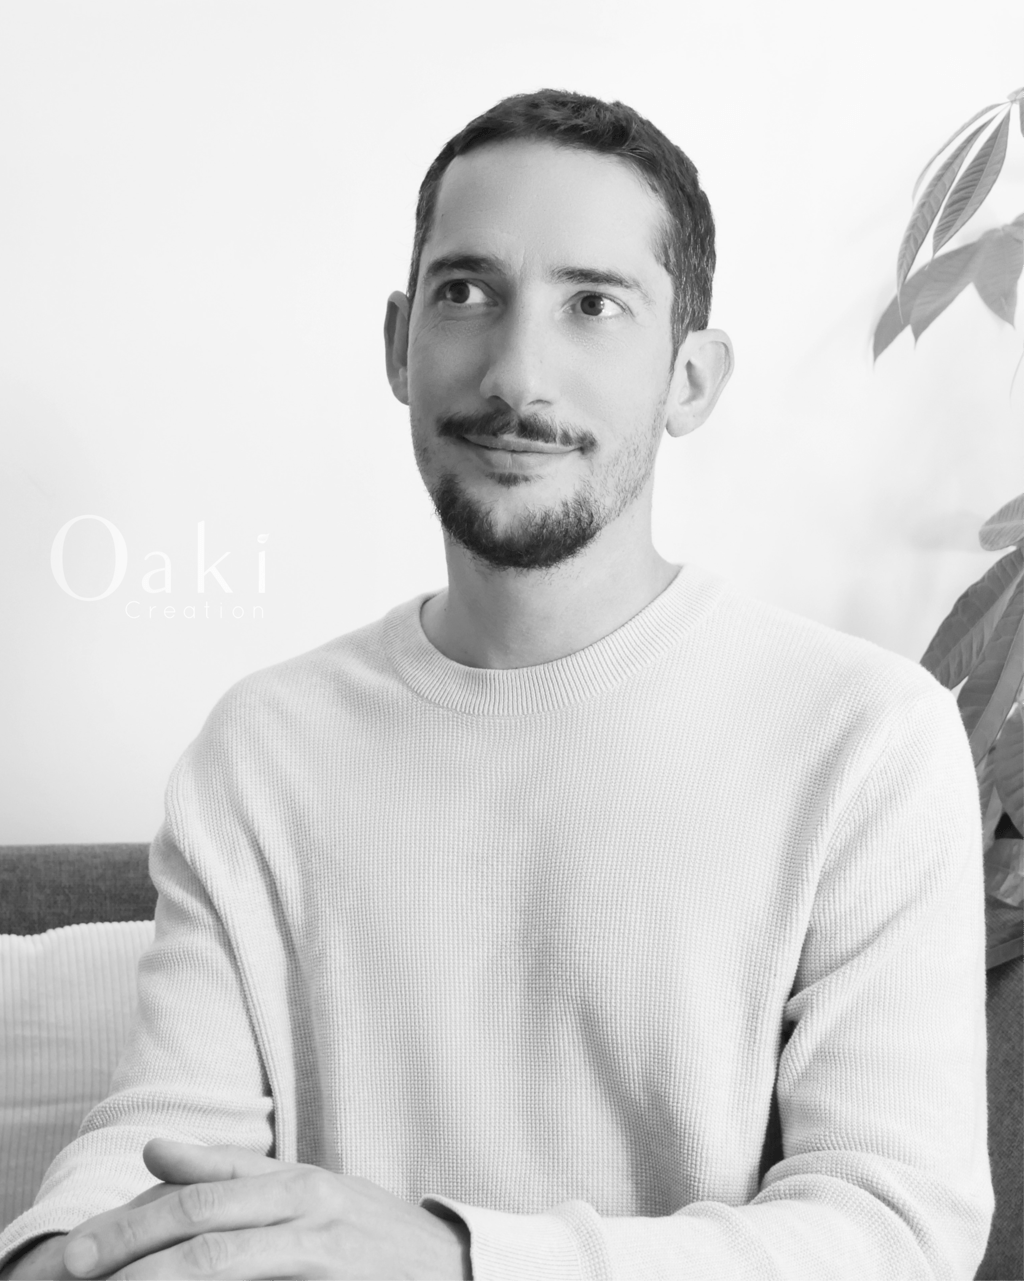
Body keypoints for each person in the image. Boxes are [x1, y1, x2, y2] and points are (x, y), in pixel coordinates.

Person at [0, 88, 993, 1281]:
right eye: (465, 293)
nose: (517, 371)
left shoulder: (870, 741)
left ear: (691, 379)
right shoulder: (261, 743)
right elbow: (168, 1136)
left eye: (593, 306)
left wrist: (456, 1256)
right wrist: (65, 1250)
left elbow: (894, 1231)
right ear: (397, 344)